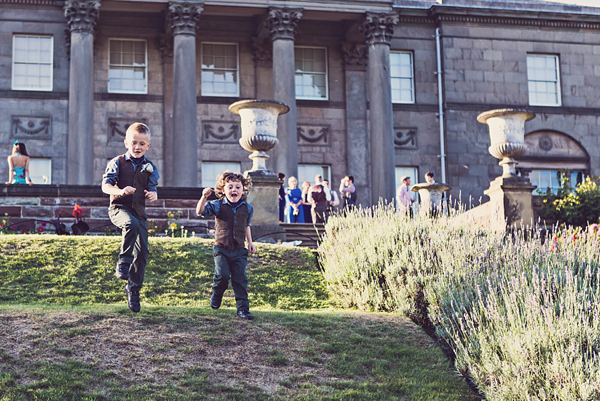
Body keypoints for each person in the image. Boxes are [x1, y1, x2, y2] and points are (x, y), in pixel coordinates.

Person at [102, 122, 159, 313]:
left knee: (142, 253)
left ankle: (133, 290)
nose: (137, 147)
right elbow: (105, 186)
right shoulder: (117, 162)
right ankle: (123, 262)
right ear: (126, 142)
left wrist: (153, 194)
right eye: (134, 142)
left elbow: (152, 188)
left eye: (142, 144)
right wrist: (119, 191)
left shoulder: (150, 166)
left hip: (139, 212)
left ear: (148, 146)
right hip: (119, 208)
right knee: (130, 224)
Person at [196, 171, 256, 320]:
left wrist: (250, 242)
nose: (234, 190)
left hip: (239, 250)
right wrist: (204, 197)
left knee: (240, 278)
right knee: (222, 275)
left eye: (237, 187)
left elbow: (246, 226)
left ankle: (243, 309)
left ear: (243, 190)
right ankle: (217, 294)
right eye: (230, 187)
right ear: (223, 190)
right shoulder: (217, 205)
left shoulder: (247, 208)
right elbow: (200, 211)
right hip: (221, 248)